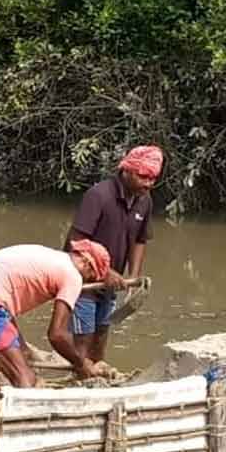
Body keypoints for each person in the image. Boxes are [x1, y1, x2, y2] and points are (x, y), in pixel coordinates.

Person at [0, 240, 111, 387]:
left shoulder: (54, 259)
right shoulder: (72, 275)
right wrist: (81, 363)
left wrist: (24, 351)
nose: (84, 282)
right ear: (86, 263)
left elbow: (4, 304)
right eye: (89, 277)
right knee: (25, 379)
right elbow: (57, 335)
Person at [65, 145, 162, 368]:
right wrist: (105, 272)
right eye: (143, 177)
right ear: (126, 171)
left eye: (153, 178)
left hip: (112, 282)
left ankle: (96, 372)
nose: (148, 184)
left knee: (102, 333)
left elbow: (140, 239)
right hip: (83, 281)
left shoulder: (144, 200)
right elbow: (75, 243)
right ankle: (80, 378)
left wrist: (133, 278)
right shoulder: (98, 195)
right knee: (83, 337)